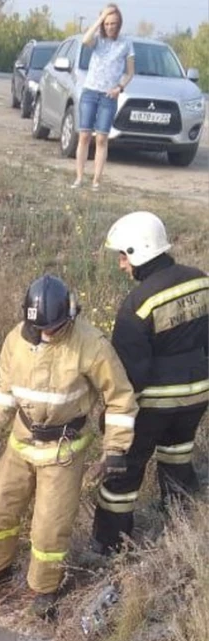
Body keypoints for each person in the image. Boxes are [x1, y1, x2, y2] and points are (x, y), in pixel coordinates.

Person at [0, 274, 137, 619]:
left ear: (71, 315)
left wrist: (116, 448)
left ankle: (43, 588)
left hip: (63, 451)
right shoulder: (16, 339)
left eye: (55, 327)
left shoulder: (91, 344)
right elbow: (6, 388)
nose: (48, 333)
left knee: (49, 527)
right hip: (20, 442)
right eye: (40, 328)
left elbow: (120, 398)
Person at [91, 211, 209, 553]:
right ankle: (181, 520)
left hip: (156, 403)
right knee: (177, 453)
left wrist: (114, 419)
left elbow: (129, 375)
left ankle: (108, 544)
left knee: (124, 473)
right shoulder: (201, 281)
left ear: (138, 250)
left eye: (123, 256)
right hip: (199, 394)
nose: (121, 265)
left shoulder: (137, 305)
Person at [72, 5, 134, 191]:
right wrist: (100, 19)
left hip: (109, 95)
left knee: (101, 138)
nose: (110, 27)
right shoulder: (97, 40)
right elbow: (85, 40)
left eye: (113, 23)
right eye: (107, 23)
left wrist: (120, 88)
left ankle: (96, 181)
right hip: (90, 92)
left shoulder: (126, 43)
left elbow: (130, 72)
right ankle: (79, 177)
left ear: (119, 24)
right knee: (84, 136)